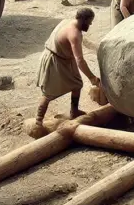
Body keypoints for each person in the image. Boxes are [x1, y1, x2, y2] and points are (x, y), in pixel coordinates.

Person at [30, 8, 103, 138]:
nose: (90, 25)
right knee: (48, 93)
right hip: (55, 61)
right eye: (90, 22)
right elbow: (80, 60)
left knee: (77, 84)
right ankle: (38, 122)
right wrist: (92, 78)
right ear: (83, 20)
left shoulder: (67, 22)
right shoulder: (75, 34)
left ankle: (73, 111)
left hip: (63, 58)